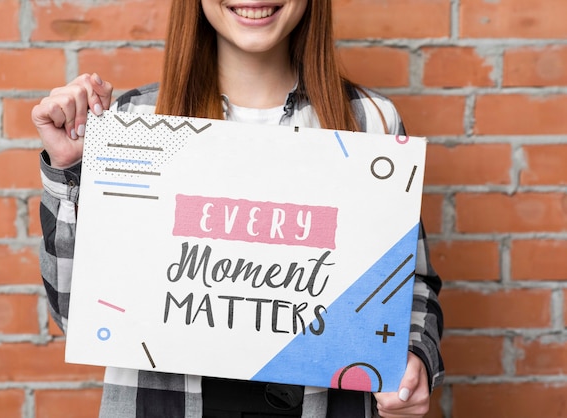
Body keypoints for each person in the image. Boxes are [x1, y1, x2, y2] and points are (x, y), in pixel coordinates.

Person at [32, 1, 444, 417]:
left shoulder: (371, 123)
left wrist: (413, 358)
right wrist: (69, 171)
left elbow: (411, 285)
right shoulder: (136, 122)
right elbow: (75, 315)